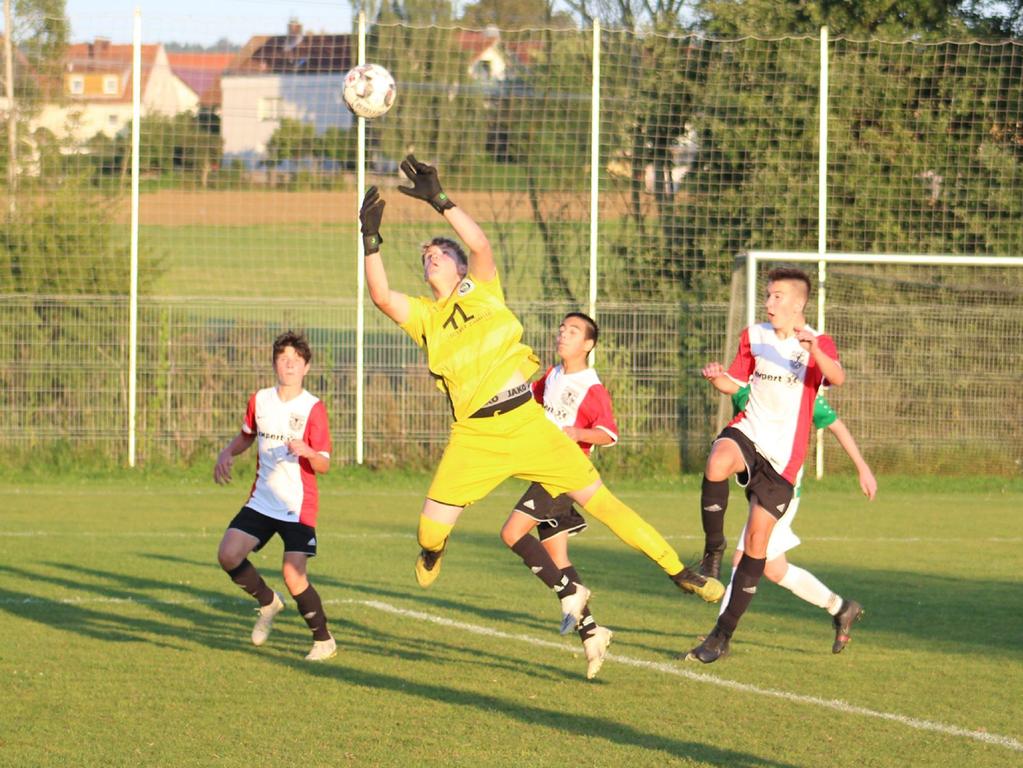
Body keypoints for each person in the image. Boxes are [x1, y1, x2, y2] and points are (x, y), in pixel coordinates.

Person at [359, 155, 724, 641]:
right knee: (428, 533)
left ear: (461, 267)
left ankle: (679, 571)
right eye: (425, 255)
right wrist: (370, 240)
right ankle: (433, 551)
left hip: (528, 424)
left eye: (440, 252)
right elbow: (382, 295)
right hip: (475, 436)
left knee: (604, 503)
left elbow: (481, 243)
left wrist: (440, 200)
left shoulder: (482, 290)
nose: (431, 256)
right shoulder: (425, 316)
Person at [686, 266, 845, 663]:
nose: (769, 302)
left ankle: (721, 636)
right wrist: (717, 377)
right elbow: (734, 385)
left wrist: (815, 352)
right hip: (749, 434)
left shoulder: (817, 343)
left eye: (776, 296)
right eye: (768, 295)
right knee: (718, 461)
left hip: (782, 461)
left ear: (798, 304)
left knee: (758, 547)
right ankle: (712, 553)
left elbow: (838, 378)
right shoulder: (753, 336)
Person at [714, 384, 877, 654]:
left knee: (743, 557)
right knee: (775, 569)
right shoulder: (746, 389)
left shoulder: (800, 391)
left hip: (783, 489)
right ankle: (842, 609)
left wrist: (863, 468)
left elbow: (836, 424)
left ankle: (720, 636)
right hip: (760, 487)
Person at [499, 311, 617, 679]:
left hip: (563, 475)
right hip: (545, 471)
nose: (563, 335)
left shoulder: (592, 388)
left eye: (573, 331)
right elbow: (529, 405)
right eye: (562, 329)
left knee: (511, 533)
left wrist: (576, 433)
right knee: (558, 558)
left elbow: (609, 434)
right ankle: (593, 633)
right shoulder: (551, 375)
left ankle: (570, 592)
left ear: (588, 344)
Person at [213, 330, 336, 661]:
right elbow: (246, 436)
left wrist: (308, 451)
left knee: (294, 575)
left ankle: (323, 640)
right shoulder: (260, 400)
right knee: (228, 554)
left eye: (296, 360)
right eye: (283, 359)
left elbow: (324, 463)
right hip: (262, 500)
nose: (289, 365)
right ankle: (268, 602)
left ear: (306, 367)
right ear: (274, 364)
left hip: (297, 506)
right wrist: (227, 453)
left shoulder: (313, 408)